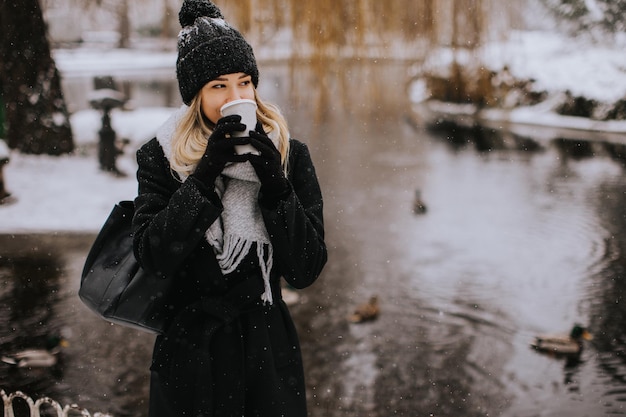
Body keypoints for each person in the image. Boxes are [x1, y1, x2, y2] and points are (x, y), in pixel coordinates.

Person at [131, 0, 327, 415]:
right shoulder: (161, 158)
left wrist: (275, 186)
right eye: (219, 86)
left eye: (244, 83)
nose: (236, 97)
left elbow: (305, 268)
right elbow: (153, 256)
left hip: (268, 353)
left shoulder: (289, 154)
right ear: (195, 94)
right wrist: (205, 175)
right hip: (191, 354)